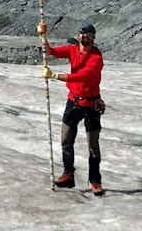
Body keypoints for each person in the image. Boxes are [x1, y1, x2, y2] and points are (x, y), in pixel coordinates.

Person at [38, 21, 105, 196]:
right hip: (73, 101)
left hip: (91, 104)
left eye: (88, 35)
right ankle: (68, 174)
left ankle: (95, 180)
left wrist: (55, 76)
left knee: (93, 145)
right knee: (66, 139)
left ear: (93, 37)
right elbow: (51, 52)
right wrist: (43, 36)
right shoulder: (73, 50)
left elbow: (83, 76)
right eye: (82, 34)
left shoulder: (96, 57)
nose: (84, 37)